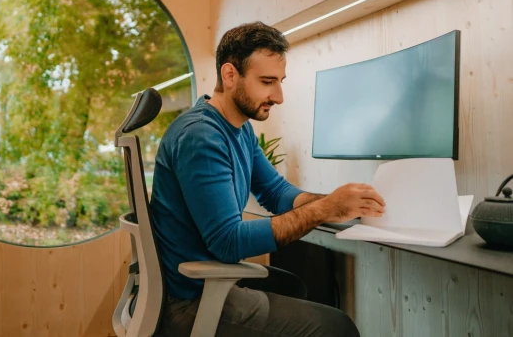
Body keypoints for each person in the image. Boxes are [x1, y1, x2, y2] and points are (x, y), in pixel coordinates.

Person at [150, 22, 386, 336]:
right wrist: (323, 210)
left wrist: (334, 202)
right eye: (267, 81)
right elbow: (228, 242)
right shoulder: (201, 137)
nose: (278, 96)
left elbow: (275, 192)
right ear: (230, 75)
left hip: (206, 286)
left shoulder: (239, 129)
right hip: (189, 304)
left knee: (297, 287)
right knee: (337, 327)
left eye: (280, 81)